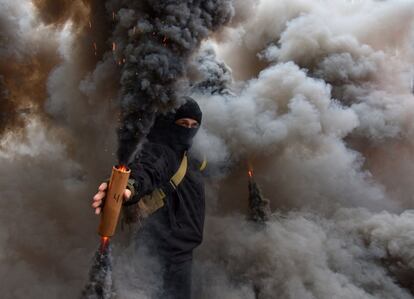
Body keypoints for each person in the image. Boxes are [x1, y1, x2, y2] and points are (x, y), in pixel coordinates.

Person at [92, 97, 205, 299]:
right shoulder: (162, 150)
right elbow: (148, 169)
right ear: (170, 124)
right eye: (183, 124)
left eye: (194, 125)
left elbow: (212, 166)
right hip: (160, 255)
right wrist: (128, 187)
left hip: (183, 253)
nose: (189, 129)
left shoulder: (190, 155)